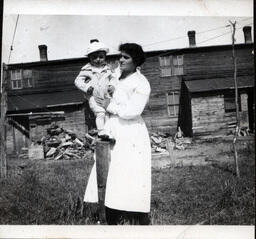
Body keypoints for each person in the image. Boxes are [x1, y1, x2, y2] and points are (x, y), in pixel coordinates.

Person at [102, 43, 152, 225]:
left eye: (125, 57)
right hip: (113, 127)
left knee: (130, 172)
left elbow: (133, 110)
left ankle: (136, 216)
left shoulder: (141, 82)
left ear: (136, 61)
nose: (120, 60)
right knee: (111, 171)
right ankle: (111, 213)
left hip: (131, 132)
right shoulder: (117, 76)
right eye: (120, 56)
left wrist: (111, 106)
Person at [74, 39, 118, 138]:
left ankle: (109, 133)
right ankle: (101, 131)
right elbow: (77, 81)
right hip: (93, 95)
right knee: (100, 113)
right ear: (89, 58)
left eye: (101, 57)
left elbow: (113, 78)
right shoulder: (87, 70)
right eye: (94, 57)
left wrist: (112, 85)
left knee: (108, 114)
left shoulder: (107, 69)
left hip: (106, 95)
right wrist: (86, 87)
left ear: (105, 57)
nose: (98, 59)